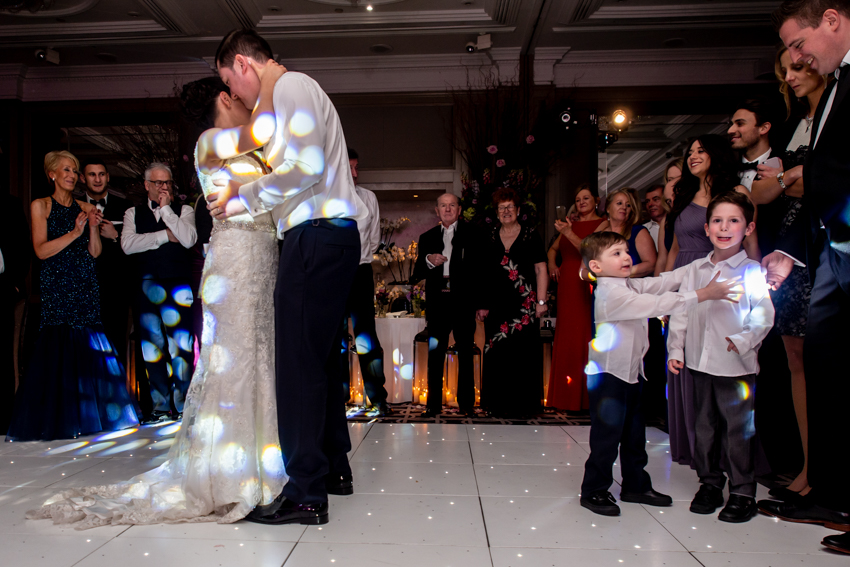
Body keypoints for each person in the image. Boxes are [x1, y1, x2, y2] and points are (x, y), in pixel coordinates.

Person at [26, 72, 289, 527]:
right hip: (235, 264)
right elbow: (265, 132)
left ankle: (264, 461)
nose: (247, 99)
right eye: (238, 91)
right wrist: (271, 81)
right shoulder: (210, 141)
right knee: (235, 361)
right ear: (225, 97)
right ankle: (229, 472)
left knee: (259, 359)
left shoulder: (248, 149)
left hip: (262, 259)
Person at [208, 29, 367, 526]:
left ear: (243, 63)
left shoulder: (293, 86)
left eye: (230, 82)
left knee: (298, 367)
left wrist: (242, 195)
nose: (235, 94)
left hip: (315, 234)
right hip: (330, 236)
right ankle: (333, 470)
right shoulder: (292, 92)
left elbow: (306, 166)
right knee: (319, 362)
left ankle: (305, 493)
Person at [759, 1, 850, 553]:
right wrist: (789, 251)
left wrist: (802, 174)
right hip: (827, 248)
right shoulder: (831, 91)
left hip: (839, 243)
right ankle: (830, 490)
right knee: (826, 366)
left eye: (798, 45)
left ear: (832, 20)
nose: (797, 60)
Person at [577, 231, 738, 516]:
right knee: (607, 436)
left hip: (631, 373)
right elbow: (659, 304)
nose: (626, 257)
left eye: (626, 251)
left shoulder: (628, 285)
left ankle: (635, 485)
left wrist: (701, 263)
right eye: (616, 253)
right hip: (609, 377)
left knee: (634, 434)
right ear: (596, 267)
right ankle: (594, 489)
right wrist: (704, 294)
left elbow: (663, 281)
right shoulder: (611, 293)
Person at [6, 151, 139, 441]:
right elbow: (41, 250)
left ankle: (92, 417)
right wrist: (74, 233)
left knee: (88, 345)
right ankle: (57, 419)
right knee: (57, 346)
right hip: (57, 284)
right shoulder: (41, 205)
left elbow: (95, 252)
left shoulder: (85, 207)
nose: (71, 175)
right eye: (65, 170)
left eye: (73, 170)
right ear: (52, 174)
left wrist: (91, 228)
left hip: (85, 283)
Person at [668, 193, 775, 523]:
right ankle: (710, 483)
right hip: (699, 362)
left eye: (733, 221)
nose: (724, 227)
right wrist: (676, 349)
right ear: (706, 228)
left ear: (748, 228)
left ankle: (743, 491)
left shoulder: (751, 271)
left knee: (738, 431)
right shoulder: (695, 270)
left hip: (735, 365)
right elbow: (681, 311)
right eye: (717, 221)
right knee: (704, 427)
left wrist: (743, 341)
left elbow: (764, 313)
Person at [752, 45, 828, 498]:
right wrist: (789, 177)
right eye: (786, 71)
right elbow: (761, 194)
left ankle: (823, 472)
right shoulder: (792, 126)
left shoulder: (834, 117)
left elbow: (827, 181)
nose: (792, 77)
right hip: (788, 246)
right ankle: (808, 467)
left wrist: (792, 177)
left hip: (820, 245)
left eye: (798, 67)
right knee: (795, 358)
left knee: (822, 359)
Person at [664, 135, 757, 467]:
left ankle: (729, 457)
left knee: (720, 362)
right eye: (690, 152)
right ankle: (695, 448)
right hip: (687, 277)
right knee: (684, 355)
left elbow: (751, 245)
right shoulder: (683, 196)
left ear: (716, 154)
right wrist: (666, 296)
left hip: (722, 278)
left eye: (701, 150)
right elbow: (674, 249)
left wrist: (752, 284)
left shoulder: (736, 193)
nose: (693, 156)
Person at [122, 162, 197, 422]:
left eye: (167, 182)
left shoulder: (184, 210)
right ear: (147, 185)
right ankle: (160, 407)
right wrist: (165, 235)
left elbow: (188, 239)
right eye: (158, 182)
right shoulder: (133, 213)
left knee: (181, 346)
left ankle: (184, 405)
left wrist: (166, 211)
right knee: (152, 348)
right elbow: (128, 245)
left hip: (178, 285)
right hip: (146, 286)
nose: (164, 187)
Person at [477, 187, 548, 418]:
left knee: (523, 354)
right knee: (498, 353)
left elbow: (541, 269)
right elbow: (483, 273)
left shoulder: (530, 235)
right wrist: (482, 303)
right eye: (502, 208)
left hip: (524, 305)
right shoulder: (489, 236)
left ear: (518, 210)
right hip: (497, 304)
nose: (506, 211)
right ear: (496, 212)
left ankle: (524, 406)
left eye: (510, 207)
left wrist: (541, 301)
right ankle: (497, 404)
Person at [410, 193, 481, 418]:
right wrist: (429, 260)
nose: (447, 209)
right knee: (435, 353)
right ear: (437, 210)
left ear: (459, 210)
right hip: (438, 302)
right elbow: (417, 272)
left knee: (465, 352)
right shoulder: (427, 237)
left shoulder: (473, 234)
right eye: (443, 205)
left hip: (464, 301)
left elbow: (481, 270)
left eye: (452, 205)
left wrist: (481, 303)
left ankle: (466, 405)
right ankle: (433, 406)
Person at [547, 185, 608, 411]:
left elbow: (588, 250)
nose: (581, 202)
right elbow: (552, 250)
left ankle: (583, 398)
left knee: (583, 334)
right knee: (565, 336)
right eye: (578, 199)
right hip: (566, 284)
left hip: (585, 282)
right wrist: (553, 265)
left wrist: (568, 232)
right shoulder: (570, 224)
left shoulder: (603, 224)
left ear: (596, 200)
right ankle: (563, 397)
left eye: (586, 198)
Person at [343, 148, 390, 416]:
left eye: (357, 167)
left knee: (367, 337)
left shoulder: (368, 197)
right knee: (336, 337)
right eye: (349, 167)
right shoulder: (325, 197)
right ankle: (338, 398)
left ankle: (377, 399)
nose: (354, 173)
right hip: (332, 274)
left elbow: (373, 240)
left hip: (360, 271)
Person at [79, 162, 132, 368]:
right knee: (84, 349)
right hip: (83, 289)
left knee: (116, 345)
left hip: (116, 289)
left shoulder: (125, 208)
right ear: (83, 178)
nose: (97, 179)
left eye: (101, 174)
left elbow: (134, 251)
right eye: (92, 174)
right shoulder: (74, 208)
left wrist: (115, 237)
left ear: (108, 177)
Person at [0, 194, 31, 434]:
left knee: (2, 356)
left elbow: (22, 246)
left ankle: (3, 422)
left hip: (1, 289)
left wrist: (15, 285)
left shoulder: (8, 203)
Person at [605, 187, 656, 277]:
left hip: (631, 284)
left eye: (628, 205)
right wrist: (597, 275)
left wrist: (620, 273)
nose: (624, 207)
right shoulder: (599, 235)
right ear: (608, 208)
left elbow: (651, 265)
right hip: (603, 285)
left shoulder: (639, 232)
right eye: (619, 203)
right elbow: (584, 270)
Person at [728, 98, 774, 191]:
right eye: (731, 124)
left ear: (764, 128)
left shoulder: (782, 166)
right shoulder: (725, 167)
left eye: (740, 124)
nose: (730, 130)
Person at [655, 159, 683, 277]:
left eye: (679, 178)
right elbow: (662, 259)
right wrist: (658, 285)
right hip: (672, 278)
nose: (674, 184)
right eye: (670, 180)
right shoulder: (667, 219)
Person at [643, 184, 668, 250]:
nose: (650, 204)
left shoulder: (678, 224)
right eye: (647, 201)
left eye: (655, 199)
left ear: (666, 200)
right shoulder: (643, 230)